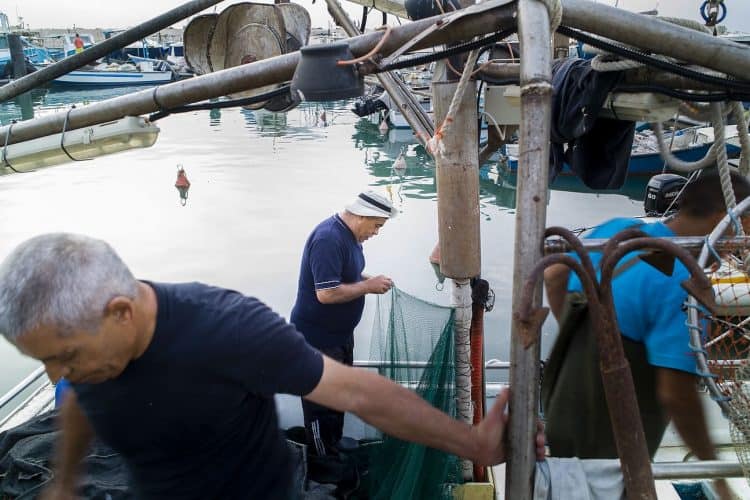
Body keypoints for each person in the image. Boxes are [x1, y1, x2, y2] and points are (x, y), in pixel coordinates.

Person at [0, 233, 544, 499]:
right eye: (43, 361)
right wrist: (64, 483)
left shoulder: (227, 330)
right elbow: (82, 404)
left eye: (63, 357)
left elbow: (358, 393)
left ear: (121, 313)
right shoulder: (91, 362)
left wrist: (472, 443)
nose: (56, 377)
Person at [543, 171, 750, 466]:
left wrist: (579, 335)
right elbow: (677, 395)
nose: (739, 246)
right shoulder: (684, 282)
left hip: (560, 422)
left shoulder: (617, 228)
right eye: (742, 233)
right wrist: (714, 470)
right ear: (722, 220)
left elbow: (554, 275)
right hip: (611, 457)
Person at [290, 190, 395, 456]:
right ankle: (320, 458)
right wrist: (368, 287)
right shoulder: (328, 239)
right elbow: (326, 294)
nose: (376, 233)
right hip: (317, 340)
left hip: (339, 336)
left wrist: (370, 279)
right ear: (362, 216)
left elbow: (347, 272)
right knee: (320, 402)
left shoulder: (351, 237)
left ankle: (333, 445)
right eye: (376, 226)